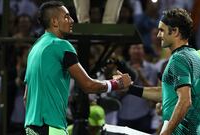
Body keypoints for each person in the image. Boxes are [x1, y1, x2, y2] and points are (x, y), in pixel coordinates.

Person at [23, 1, 131, 135]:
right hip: (52, 128)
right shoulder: (61, 45)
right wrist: (117, 84)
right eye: (67, 17)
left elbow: (26, 97)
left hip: (31, 128)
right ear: (55, 22)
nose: (72, 20)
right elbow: (88, 85)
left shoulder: (35, 48)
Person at [156, 8, 200, 135]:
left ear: (175, 31)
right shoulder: (195, 55)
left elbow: (185, 101)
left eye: (162, 30)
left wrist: (166, 132)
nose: (158, 35)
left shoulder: (178, 59)